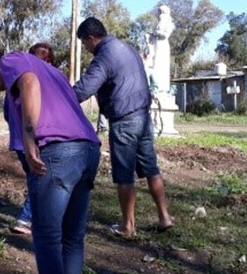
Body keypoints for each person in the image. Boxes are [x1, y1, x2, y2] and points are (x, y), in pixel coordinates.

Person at [0, 50, 100, 274]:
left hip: (58, 152)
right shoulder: (53, 71)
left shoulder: (11, 60)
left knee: (46, 237)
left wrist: (31, 137)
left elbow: (30, 83)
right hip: (88, 149)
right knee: (72, 237)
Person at [73, 17, 173, 237]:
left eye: (85, 44)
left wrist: (61, 97)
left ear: (91, 38)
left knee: (124, 175)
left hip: (125, 120)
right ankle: (164, 217)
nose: (87, 49)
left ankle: (128, 226)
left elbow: (84, 89)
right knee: (151, 168)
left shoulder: (104, 56)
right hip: (144, 118)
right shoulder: (126, 48)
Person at [8, 42, 56, 235]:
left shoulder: (14, 80)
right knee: (38, 180)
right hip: (31, 142)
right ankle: (25, 219)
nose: (45, 65)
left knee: (35, 179)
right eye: (44, 61)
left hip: (18, 141)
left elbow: (7, 114)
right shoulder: (33, 84)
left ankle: (33, 217)